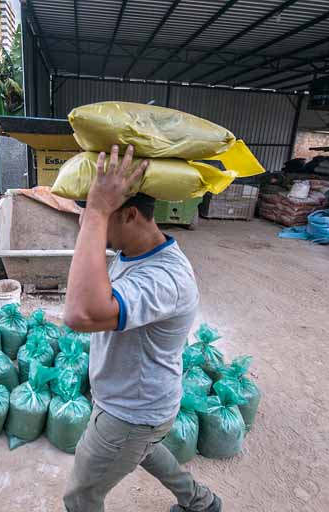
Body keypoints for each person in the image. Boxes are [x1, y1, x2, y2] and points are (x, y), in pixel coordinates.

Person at [62, 145, 221, 512]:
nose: (88, 224)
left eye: (101, 218)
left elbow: (80, 314)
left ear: (130, 214)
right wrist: (99, 212)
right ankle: (202, 502)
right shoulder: (130, 253)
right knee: (147, 452)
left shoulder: (165, 278)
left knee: (81, 496)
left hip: (130, 413)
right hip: (141, 407)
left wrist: (98, 211)